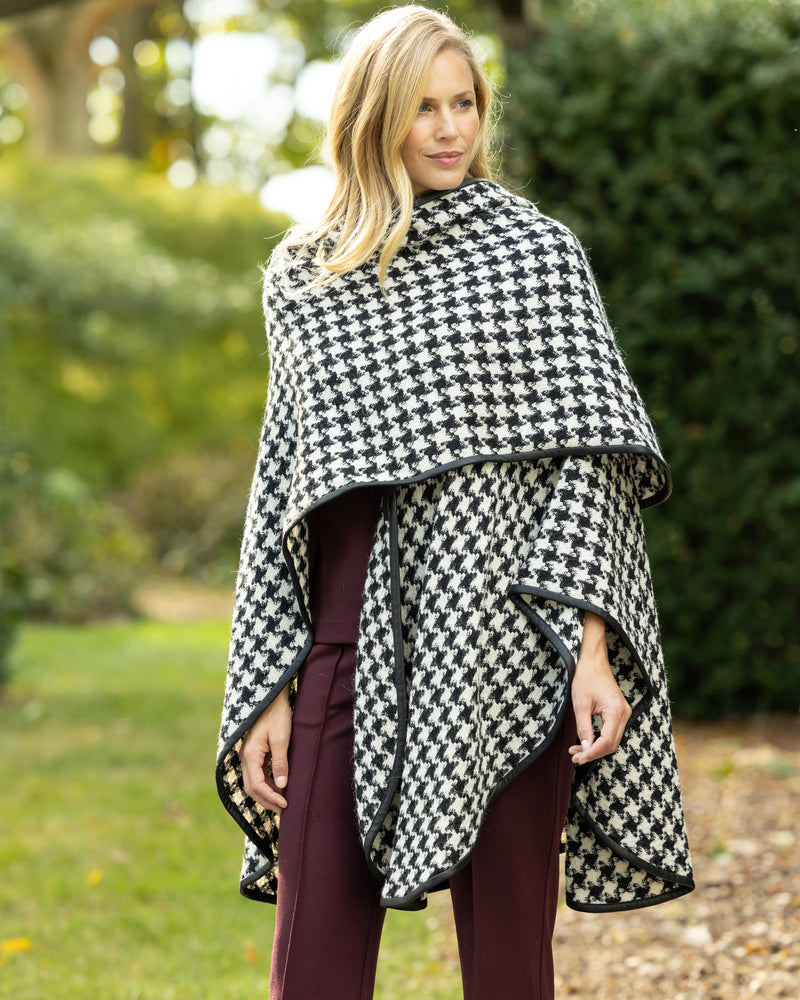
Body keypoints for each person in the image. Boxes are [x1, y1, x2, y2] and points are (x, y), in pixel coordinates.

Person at [216, 6, 694, 999]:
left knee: (512, 964)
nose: (447, 128)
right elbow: (285, 481)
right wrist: (268, 683)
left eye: (463, 103)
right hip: (345, 643)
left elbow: (589, 469)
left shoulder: (535, 257)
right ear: (372, 117)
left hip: (512, 642)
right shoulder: (306, 274)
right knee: (313, 960)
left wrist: (590, 653)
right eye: (421, 107)